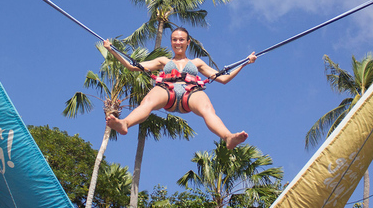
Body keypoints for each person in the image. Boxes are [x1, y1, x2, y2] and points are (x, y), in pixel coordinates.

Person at [103, 27, 257, 150]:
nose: (178, 42)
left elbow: (223, 78)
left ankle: (228, 136)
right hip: (166, 91)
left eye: (181, 40)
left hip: (190, 94)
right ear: (171, 42)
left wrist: (244, 63)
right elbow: (132, 66)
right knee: (148, 101)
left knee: (207, 109)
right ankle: (125, 123)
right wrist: (111, 49)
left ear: (188, 42)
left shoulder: (197, 62)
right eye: (174, 40)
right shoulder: (163, 61)